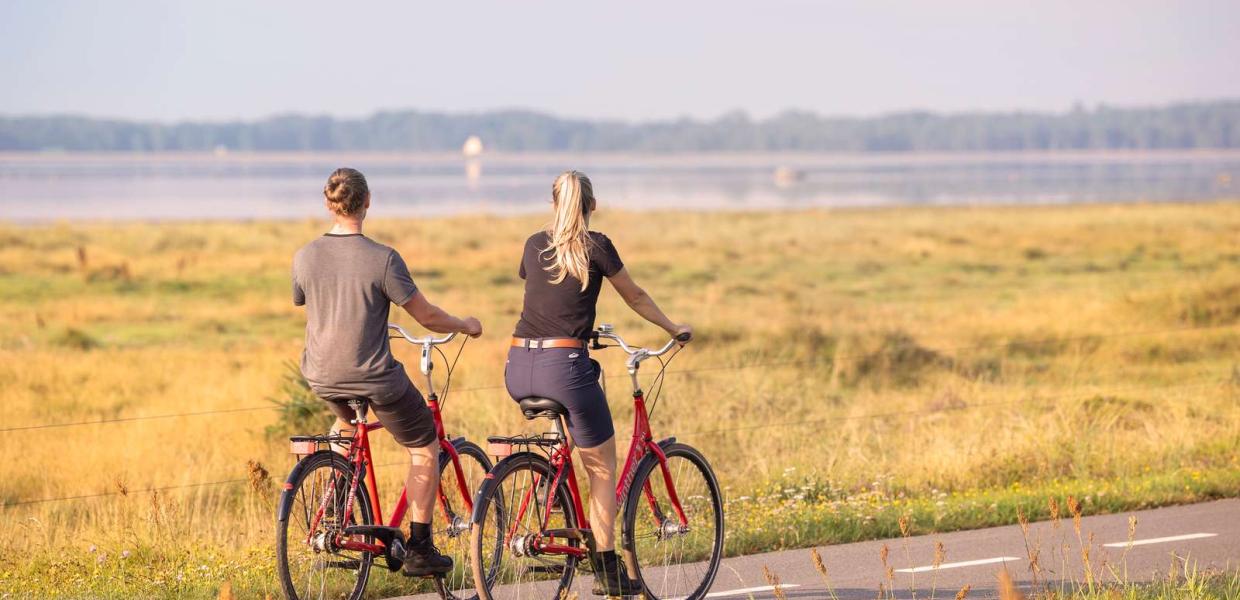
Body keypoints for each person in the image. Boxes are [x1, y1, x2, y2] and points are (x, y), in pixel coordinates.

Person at [504, 170, 692, 596]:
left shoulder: (534, 244)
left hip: (517, 364)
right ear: (591, 205)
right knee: (602, 468)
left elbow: (546, 296)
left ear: (553, 204)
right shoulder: (597, 246)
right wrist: (672, 327)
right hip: (565, 365)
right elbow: (636, 296)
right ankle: (607, 573)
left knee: (573, 429)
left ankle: (551, 487)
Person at [292, 167, 482, 577]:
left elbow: (308, 300)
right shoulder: (383, 259)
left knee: (346, 426)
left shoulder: (304, 255)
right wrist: (464, 324)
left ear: (328, 204)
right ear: (368, 201)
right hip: (374, 375)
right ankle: (418, 547)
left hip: (322, 376)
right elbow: (427, 316)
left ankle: (337, 509)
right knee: (423, 446)